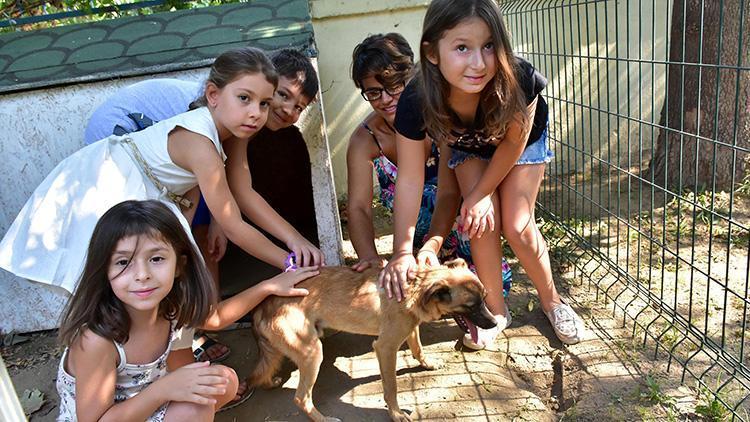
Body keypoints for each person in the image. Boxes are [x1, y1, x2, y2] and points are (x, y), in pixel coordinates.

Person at [81, 48, 321, 363]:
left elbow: (240, 190)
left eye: (299, 106)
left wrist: (294, 240)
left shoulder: (236, 121)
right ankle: (141, 349)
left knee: (188, 240)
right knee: (142, 250)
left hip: (165, 166)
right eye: (282, 96)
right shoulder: (206, 122)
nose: (286, 109)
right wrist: (290, 265)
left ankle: (190, 330)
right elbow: (229, 207)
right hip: (122, 135)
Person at [379, 0, 586, 349]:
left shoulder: (519, 76)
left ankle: (553, 302)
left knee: (517, 226)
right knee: (479, 223)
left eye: (489, 46)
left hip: (519, 143)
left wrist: (478, 196)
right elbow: (411, 179)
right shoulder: (416, 100)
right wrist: (401, 250)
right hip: (468, 146)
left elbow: (512, 145)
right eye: (462, 48)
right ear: (431, 53)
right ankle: (495, 311)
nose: (479, 63)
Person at [346, 32, 512, 295]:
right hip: (415, 241)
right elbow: (358, 208)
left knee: (486, 292)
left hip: (464, 227)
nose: (386, 99)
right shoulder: (365, 140)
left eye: (395, 85)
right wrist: (369, 258)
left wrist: (433, 244)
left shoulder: (442, 119)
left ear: (412, 76)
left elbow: (449, 193)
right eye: (374, 92)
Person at [55, 200, 238, 421]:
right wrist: (164, 389)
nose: (142, 275)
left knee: (223, 381)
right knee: (193, 411)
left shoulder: (172, 310)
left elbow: (184, 362)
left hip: (144, 404)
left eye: (156, 258)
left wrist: (180, 386)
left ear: (179, 265)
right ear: (104, 269)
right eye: (123, 262)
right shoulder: (97, 341)